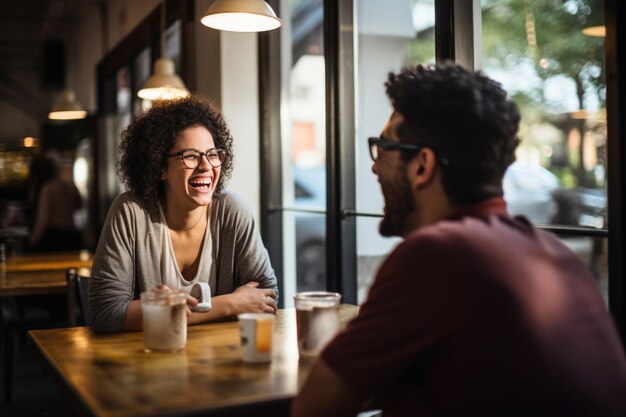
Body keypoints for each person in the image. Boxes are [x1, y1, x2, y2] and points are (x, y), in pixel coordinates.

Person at [292, 63, 626, 417]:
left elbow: (313, 407)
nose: (375, 167)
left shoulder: (435, 256)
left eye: (384, 146)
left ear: (423, 165)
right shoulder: (555, 254)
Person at [89, 96, 278, 333]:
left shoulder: (233, 212)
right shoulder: (131, 213)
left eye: (212, 154)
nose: (206, 166)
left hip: (222, 359)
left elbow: (266, 298)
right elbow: (106, 313)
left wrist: (168, 312)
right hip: (148, 359)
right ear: (160, 168)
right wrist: (228, 304)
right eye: (190, 155)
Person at [28, 154, 84, 252]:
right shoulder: (69, 185)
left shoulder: (47, 188)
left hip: (53, 238)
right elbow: (79, 205)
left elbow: (43, 219)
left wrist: (32, 240)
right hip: (72, 236)